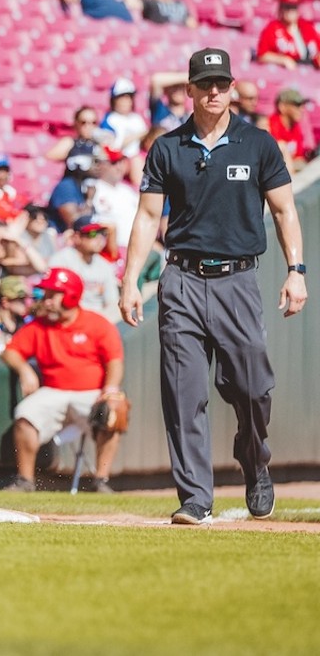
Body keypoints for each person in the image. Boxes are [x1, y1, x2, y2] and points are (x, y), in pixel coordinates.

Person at [120, 46, 307, 525]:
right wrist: (127, 281)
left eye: (221, 84)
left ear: (231, 89)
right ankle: (195, 499)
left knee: (252, 388)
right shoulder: (166, 147)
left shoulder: (259, 144)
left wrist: (296, 271)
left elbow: (285, 211)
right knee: (183, 395)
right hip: (180, 279)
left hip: (237, 280)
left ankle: (253, 458)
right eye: (204, 85)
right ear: (190, 91)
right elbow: (146, 217)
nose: (214, 92)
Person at [3, 268, 125, 492]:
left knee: (112, 414)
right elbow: (10, 351)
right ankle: (25, 481)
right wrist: (24, 369)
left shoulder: (96, 323)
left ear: (69, 295)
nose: (46, 300)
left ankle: (101, 480)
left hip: (90, 393)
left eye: (52, 295)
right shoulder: (39, 326)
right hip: (53, 391)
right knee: (25, 415)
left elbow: (114, 361)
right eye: (45, 294)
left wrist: (110, 389)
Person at [49, 217, 121, 320]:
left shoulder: (104, 265)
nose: (99, 238)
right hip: (69, 319)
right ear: (77, 237)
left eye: (102, 233)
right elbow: (55, 302)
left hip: (99, 319)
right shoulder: (60, 261)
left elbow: (112, 302)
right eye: (93, 234)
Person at [257, 0, 320, 70]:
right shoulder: (272, 28)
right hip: (286, 72)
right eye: (287, 7)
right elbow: (262, 55)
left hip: (310, 70)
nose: (291, 11)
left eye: (294, 7)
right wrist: (282, 59)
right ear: (281, 8)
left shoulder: (307, 26)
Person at [264, 88, 312, 171]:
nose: (302, 109)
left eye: (302, 105)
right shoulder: (268, 126)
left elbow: (298, 157)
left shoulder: (295, 127)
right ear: (282, 106)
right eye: (297, 105)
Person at [100, 78, 148, 161]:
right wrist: (139, 135)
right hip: (121, 161)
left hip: (141, 158)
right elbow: (113, 148)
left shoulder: (137, 118)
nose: (126, 101)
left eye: (129, 97)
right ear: (114, 100)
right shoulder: (109, 120)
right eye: (122, 97)